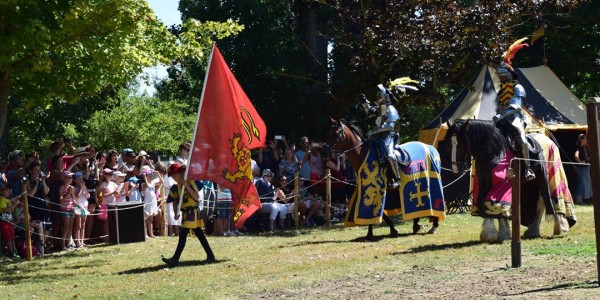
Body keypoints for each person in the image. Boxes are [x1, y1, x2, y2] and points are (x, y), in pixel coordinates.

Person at [492, 38, 535, 181]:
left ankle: (528, 169)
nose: (501, 76)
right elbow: (499, 106)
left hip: (515, 119)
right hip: (501, 120)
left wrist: (500, 116)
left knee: (522, 140)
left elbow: (515, 107)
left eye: (503, 73)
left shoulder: (517, 87)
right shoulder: (500, 91)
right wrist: (497, 116)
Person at [162, 163, 215, 267]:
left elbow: (196, 197)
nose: (174, 178)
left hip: (193, 212)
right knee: (199, 234)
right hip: (185, 213)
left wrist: (187, 186)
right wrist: (176, 212)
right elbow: (174, 202)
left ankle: (175, 259)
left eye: (175, 176)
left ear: (181, 173)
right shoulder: (175, 188)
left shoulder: (191, 182)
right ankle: (211, 255)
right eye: (172, 176)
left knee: (182, 235)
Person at [142, 167, 162, 238]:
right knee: (145, 218)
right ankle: (145, 234)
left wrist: (158, 174)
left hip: (153, 202)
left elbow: (162, 182)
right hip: (147, 203)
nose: (150, 177)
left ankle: (151, 234)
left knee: (151, 219)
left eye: (151, 175)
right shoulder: (144, 184)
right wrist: (144, 177)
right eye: (149, 175)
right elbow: (147, 185)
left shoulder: (153, 182)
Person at [0, 186, 20, 258]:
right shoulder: (1, 199)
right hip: (3, 221)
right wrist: (15, 204)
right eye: (7, 190)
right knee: (8, 237)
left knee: (12, 237)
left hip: (9, 221)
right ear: (1, 192)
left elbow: (11, 210)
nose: (9, 192)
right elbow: (5, 210)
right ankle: (11, 252)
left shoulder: (8, 200)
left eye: (9, 190)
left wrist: (14, 204)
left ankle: (15, 251)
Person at [58, 171, 76, 250]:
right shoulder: (62, 187)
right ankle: (62, 245)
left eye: (71, 178)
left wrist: (76, 205)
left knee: (70, 227)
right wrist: (68, 193)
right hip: (64, 209)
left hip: (71, 209)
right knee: (66, 227)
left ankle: (68, 244)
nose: (71, 179)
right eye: (69, 177)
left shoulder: (72, 187)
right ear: (64, 178)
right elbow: (61, 200)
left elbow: (74, 199)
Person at [72, 172, 90, 248]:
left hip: (84, 207)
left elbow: (88, 196)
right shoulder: (74, 188)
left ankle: (82, 241)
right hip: (78, 207)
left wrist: (84, 188)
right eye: (79, 178)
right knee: (78, 225)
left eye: (81, 178)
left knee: (83, 224)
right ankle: (78, 242)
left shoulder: (84, 187)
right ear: (75, 180)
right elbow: (77, 197)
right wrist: (82, 188)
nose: (81, 179)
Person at [574, 134, 592, 204]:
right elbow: (576, 156)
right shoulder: (579, 147)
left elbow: (585, 158)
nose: (586, 140)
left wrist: (589, 158)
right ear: (582, 140)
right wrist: (580, 162)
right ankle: (578, 200)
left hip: (585, 167)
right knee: (581, 183)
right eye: (585, 139)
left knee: (583, 183)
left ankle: (580, 199)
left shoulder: (584, 148)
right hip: (581, 168)